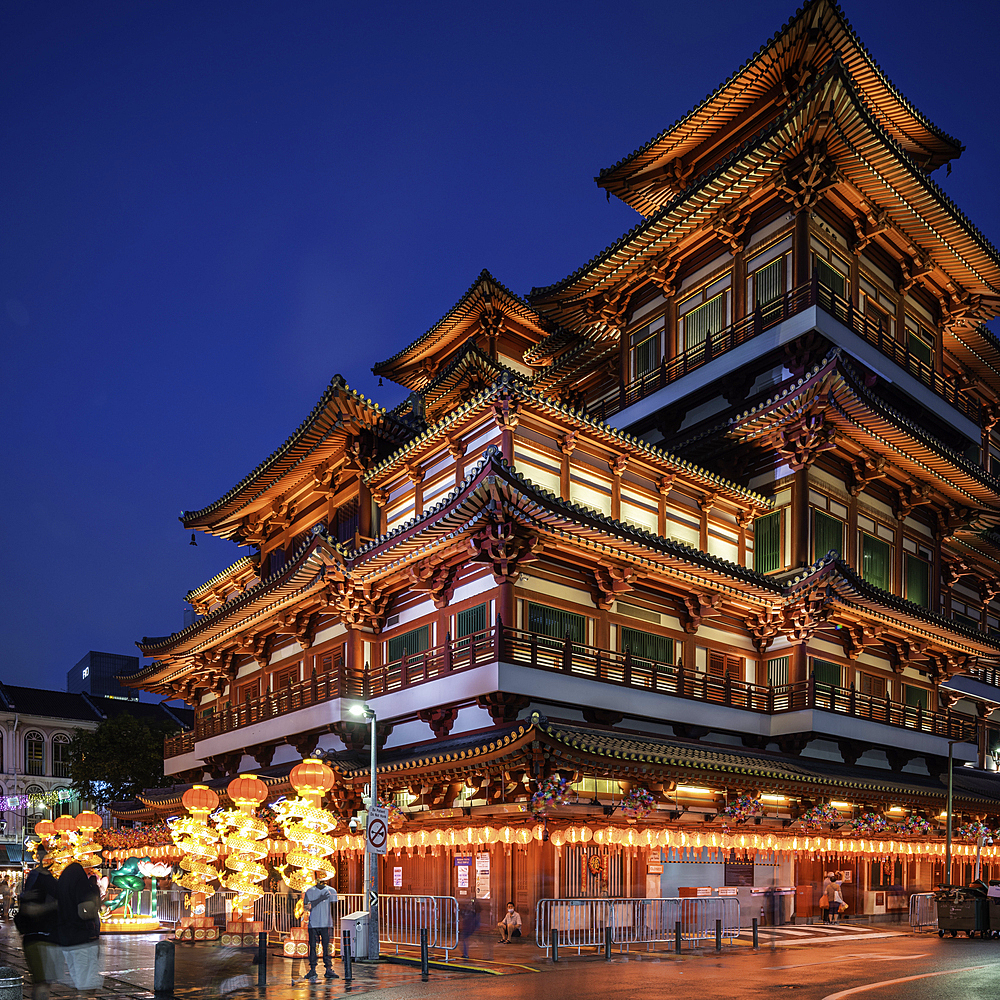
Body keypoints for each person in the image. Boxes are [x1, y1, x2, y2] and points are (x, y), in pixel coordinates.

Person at [16, 848, 59, 1000]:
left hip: (47, 938)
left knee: (42, 984)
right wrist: (53, 906)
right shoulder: (35, 877)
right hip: (38, 938)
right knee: (42, 983)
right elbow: (28, 909)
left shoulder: (50, 880)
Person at [57, 862, 102, 993]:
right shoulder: (80, 878)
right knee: (86, 982)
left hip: (65, 937)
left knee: (78, 979)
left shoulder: (63, 880)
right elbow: (84, 911)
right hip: (81, 938)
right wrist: (94, 911)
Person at [302, 878, 338, 981]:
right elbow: (306, 907)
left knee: (326, 947)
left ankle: (328, 968)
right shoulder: (310, 891)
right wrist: (319, 899)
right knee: (313, 946)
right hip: (314, 923)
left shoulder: (332, 891)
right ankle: (313, 969)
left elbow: (334, 908)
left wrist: (333, 923)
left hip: (326, 923)